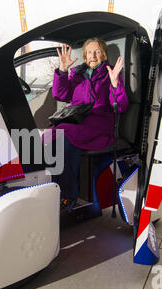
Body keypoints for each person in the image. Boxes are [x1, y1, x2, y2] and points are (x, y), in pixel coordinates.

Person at [48, 38, 129, 213]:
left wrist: (115, 84)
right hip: (79, 121)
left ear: (104, 54)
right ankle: (52, 188)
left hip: (99, 124)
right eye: (90, 52)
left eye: (97, 51)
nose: (93, 55)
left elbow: (120, 106)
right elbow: (60, 94)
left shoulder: (110, 74)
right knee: (50, 135)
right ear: (84, 55)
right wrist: (63, 70)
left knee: (64, 133)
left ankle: (69, 194)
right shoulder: (77, 74)